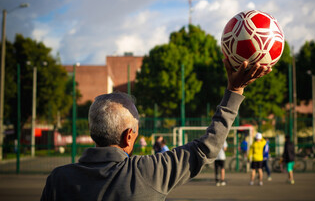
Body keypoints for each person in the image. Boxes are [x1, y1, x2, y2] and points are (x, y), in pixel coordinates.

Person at [41, 60, 270, 200]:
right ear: (128, 136)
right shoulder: (147, 172)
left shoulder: (58, 180)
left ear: (93, 131)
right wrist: (235, 89)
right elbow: (206, 149)